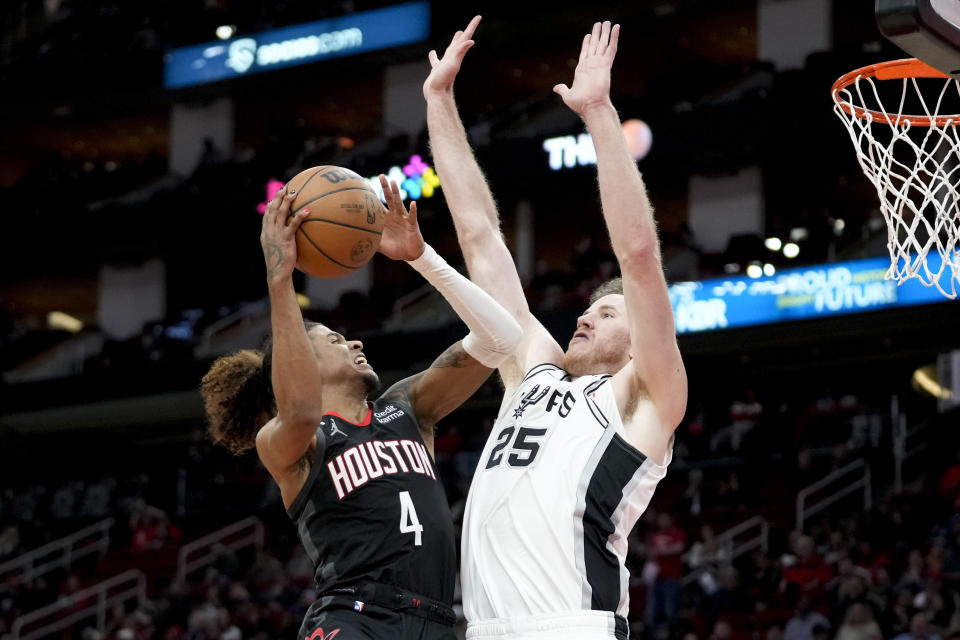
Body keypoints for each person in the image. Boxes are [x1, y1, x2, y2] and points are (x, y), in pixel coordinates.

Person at [424, 17, 687, 639]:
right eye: (588, 308)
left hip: (572, 627)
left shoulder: (645, 395)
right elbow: (479, 236)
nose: (584, 315)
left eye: (607, 313)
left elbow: (640, 258)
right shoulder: (531, 369)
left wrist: (598, 112)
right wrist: (438, 101)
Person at [200, 175, 522, 640]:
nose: (353, 340)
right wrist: (281, 278)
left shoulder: (406, 408)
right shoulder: (289, 441)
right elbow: (302, 411)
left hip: (436, 621)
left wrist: (422, 258)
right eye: (334, 339)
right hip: (355, 618)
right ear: (303, 362)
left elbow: (502, 339)